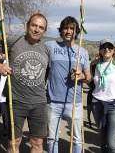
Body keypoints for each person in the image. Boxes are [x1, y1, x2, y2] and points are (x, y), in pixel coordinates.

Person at [0, 13, 50, 153]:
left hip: (39, 103)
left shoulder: (46, 49)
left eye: (41, 27)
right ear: (27, 26)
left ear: (44, 31)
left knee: (37, 142)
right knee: (14, 142)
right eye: (34, 25)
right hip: (16, 102)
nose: (36, 29)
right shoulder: (13, 41)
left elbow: (47, 74)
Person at [45, 16, 91, 153]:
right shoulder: (51, 46)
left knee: (77, 139)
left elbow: (89, 77)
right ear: (61, 30)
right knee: (52, 139)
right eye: (66, 28)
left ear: (76, 31)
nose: (69, 31)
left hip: (74, 102)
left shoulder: (83, 52)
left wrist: (82, 76)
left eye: (72, 28)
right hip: (53, 102)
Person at [91, 38, 115, 153]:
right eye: (104, 47)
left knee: (112, 143)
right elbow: (89, 81)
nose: (107, 49)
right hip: (97, 103)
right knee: (102, 140)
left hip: (114, 104)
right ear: (100, 50)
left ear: (113, 50)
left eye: (110, 47)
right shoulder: (95, 66)